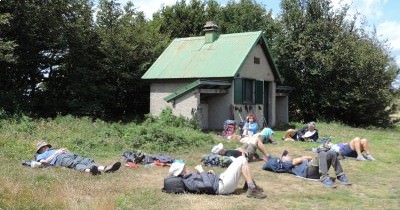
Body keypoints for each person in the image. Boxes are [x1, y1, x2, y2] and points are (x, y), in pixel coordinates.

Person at [169, 156, 267, 199]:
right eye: (184, 167)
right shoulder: (189, 183)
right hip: (222, 186)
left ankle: (250, 185)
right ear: (181, 172)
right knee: (241, 160)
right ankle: (252, 188)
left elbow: (204, 180)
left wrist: (208, 173)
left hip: (221, 179)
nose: (186, 167)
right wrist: (202, 171)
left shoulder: (189, 177)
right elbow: (208, 186)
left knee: (241, 159)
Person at [34, 141, 121, 175]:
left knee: (87, 160)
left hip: (70, 154)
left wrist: (65, 151)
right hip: (60, 159)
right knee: (75, 164)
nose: (47, 148)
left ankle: (105, 168)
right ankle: (91, 171)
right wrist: (56, 153)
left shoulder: (53, 149)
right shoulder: (41, 155)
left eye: (46, 146)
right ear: (40, 150)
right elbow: (43, 163)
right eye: (44, 147)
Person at [280, 150, 351, 188]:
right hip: (307, 171)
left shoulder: (294, 161)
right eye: (285, 155)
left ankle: (340, 175)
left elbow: (310, 157)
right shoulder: (287, 164)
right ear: (283, 159)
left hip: (313, 168)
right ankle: (324, 178)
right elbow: (299, 160)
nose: (288, 155)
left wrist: (303, 158)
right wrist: (302, 158)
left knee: (331, 153)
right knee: (322, 153)